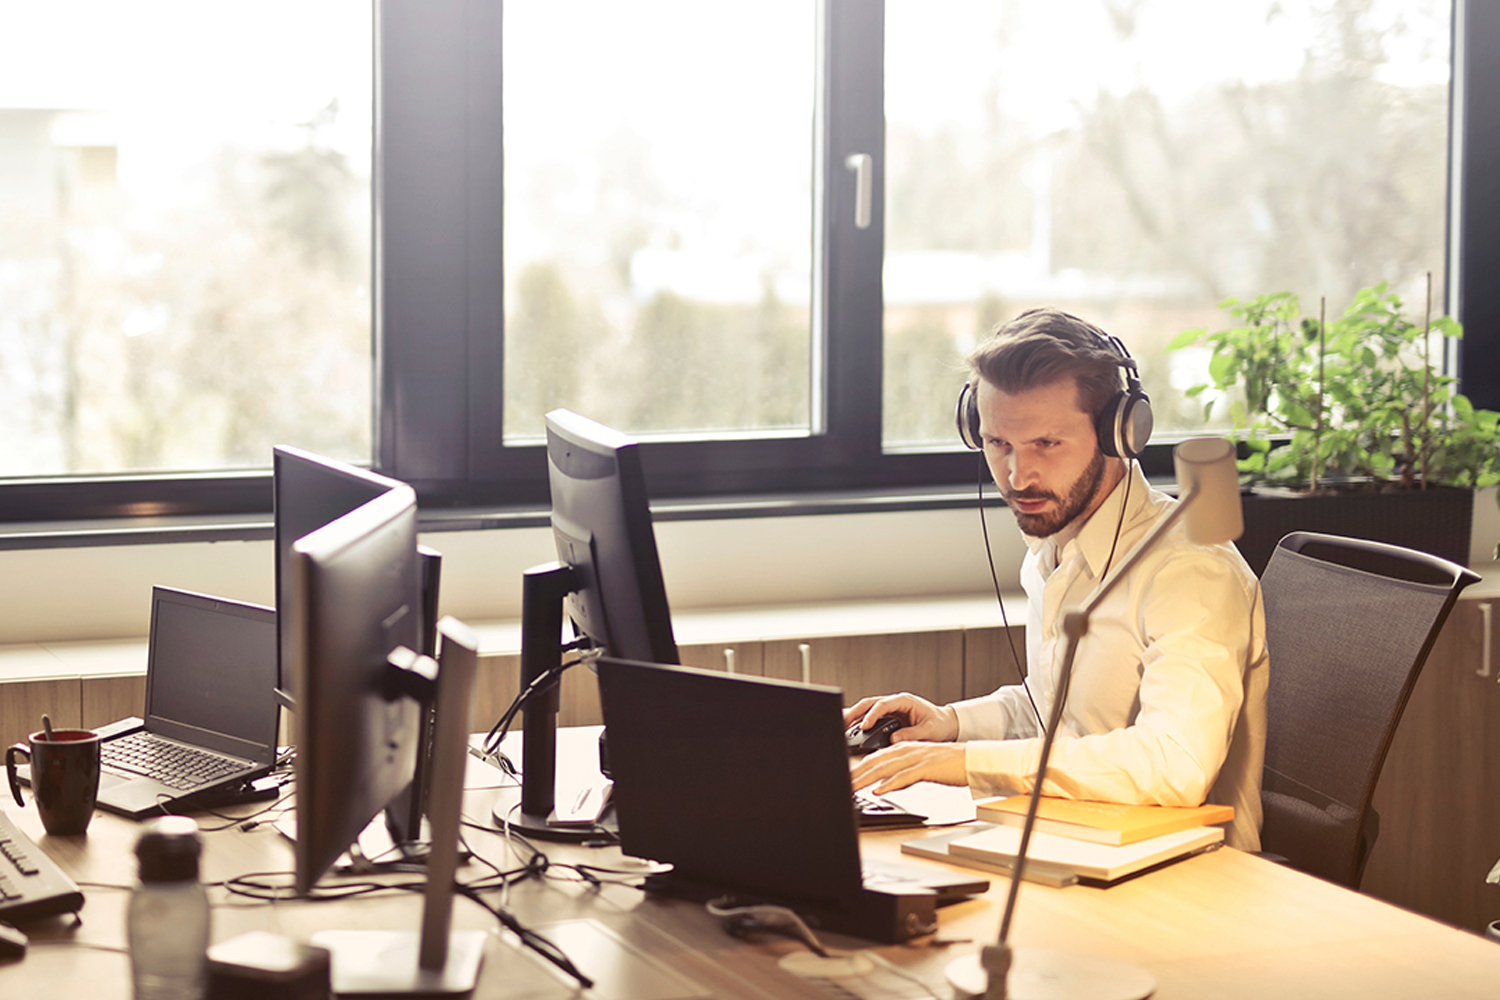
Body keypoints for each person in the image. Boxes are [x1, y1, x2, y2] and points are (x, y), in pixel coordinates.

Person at [846, 307, 1269, 851]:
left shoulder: (1191, 570)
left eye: (1046, 444)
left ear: (1120, 433)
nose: (1018, 477)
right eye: (998, 445)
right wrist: (950, 724)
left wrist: (968, 763)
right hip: (1075, 841)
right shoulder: (1054, 545)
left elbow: (1175, 765)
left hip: (1189, 877)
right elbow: (1059, 715)